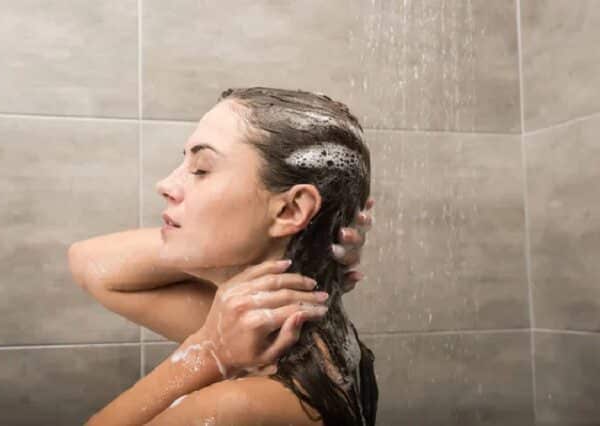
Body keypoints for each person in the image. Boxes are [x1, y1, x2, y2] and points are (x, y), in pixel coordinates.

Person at [72, 87, 377, 425]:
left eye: (201, 169)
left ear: (290, 208)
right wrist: (317, 246)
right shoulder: (277, 333)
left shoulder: (239, 408)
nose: (166, 184)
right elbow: (89, 262)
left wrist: (206, 354)